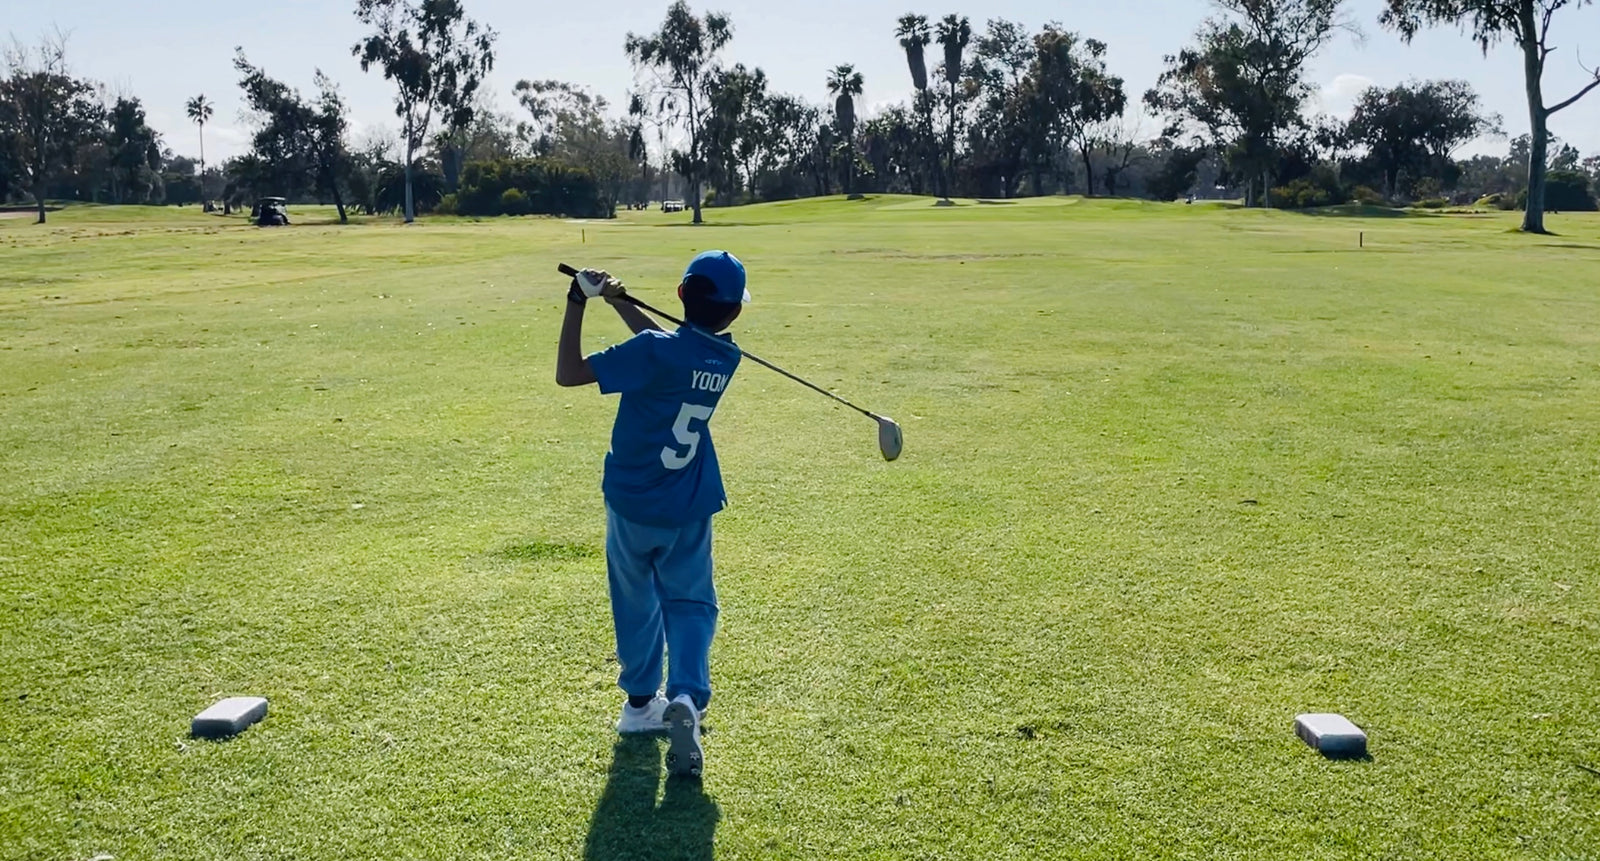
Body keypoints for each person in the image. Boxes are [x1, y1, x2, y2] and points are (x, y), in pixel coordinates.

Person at [555, 251, 749, 779]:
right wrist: (621, 303)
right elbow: (668, 349)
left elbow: (568, 373)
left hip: (633, 504)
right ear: (732, 314)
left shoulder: (654, 351)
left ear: (682, 294)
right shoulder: (725, 357)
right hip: (688, 505)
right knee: (689, 603)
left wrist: (579, 301)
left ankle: (642, 704)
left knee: (636, 601)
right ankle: (686, 694)